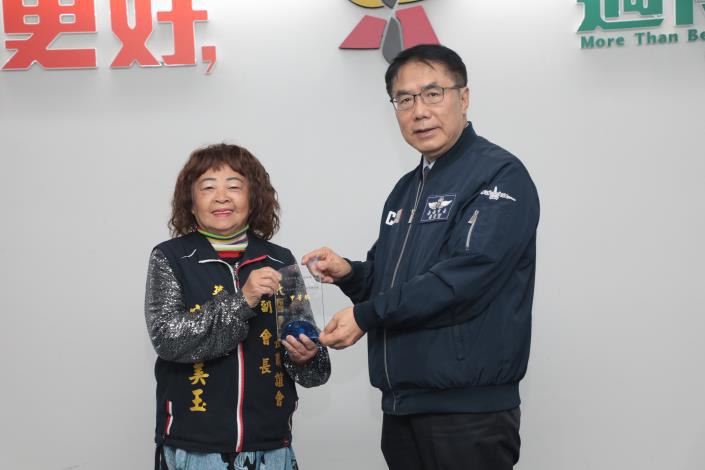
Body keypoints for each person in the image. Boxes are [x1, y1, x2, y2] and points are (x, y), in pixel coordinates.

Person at [303, 44, 539, 470]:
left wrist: (365, 316)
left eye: (433, 94)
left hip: (466, 411)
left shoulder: (499, 175)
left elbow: (463, 279)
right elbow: (389, 284)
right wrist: (349, 274)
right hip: (402, 404)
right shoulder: (406, 189)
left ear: (463, 97)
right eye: (405, 99)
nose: (420, 111)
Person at [145, 143, 330, 470]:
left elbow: (313, 372)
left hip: (269, 446)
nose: (221, 197)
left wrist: (307, 356)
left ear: (253, 197)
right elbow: (168, 339)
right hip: (194, 448)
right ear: (191, 200)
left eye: (234, 186)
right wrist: (243, 301)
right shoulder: (171, 258)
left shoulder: (279, 260)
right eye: (207, 187)